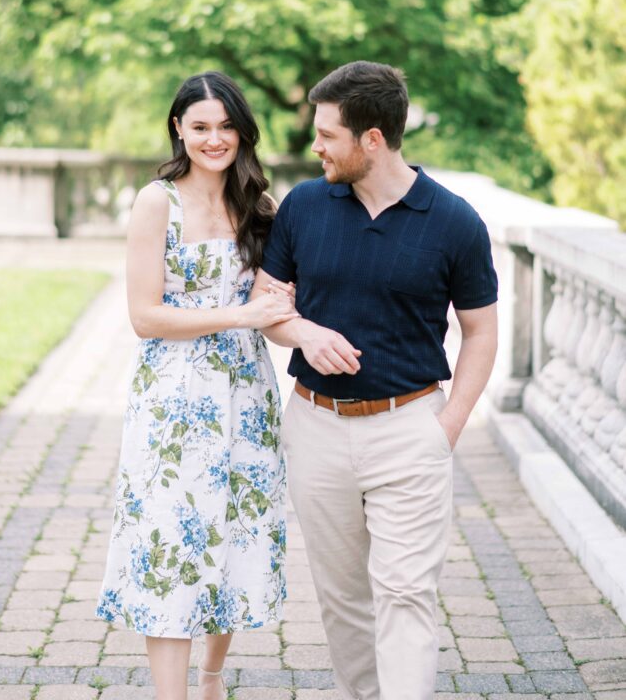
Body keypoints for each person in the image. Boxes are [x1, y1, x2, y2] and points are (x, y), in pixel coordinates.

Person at [252, 61, 498, 700]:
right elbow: (267, 305)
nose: (315, 147)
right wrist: (304, 333)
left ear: (372, 139)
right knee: (343, 600)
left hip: (410, 429)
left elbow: (481, 332)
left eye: (327, 135)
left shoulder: (454, 221)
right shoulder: (305, 205)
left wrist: (447, 427)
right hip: (315, 427)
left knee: (406, 593)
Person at [96, 71, 297, 700]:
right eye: (201, 126)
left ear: (243, 131)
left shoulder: (260, 207)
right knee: (171, 543)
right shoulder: (157, 202)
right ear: (178, 129)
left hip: (248, 392)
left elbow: (276, 310)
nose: (215, 139)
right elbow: (145, 316)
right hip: (176, 397)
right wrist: (241, 315)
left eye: (226, 126)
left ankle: (211, 680)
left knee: (234, 536)